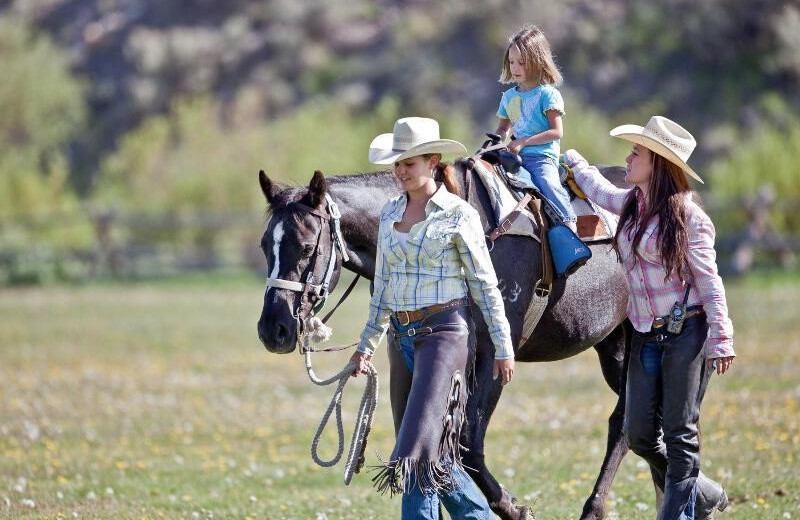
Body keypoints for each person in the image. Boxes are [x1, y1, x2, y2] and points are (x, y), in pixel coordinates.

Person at [562, 115, 734, 520]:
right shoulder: (632, 206)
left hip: (687, 334)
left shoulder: (691, 219)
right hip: (645, 334)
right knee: (639, 434)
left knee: (679, 437)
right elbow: (599, 189)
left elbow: (710, 282)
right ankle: (704, 491)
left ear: (657, 163)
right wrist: (571, 159)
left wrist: (722, 337)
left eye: (636, 152)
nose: (628, 157)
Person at [350, 116, 515, 520]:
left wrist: (503, 346)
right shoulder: (389, 213)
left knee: (414, 454)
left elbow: (484, 285)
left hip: (444, 335)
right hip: (401, 337)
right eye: (397, 163)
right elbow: (384, 287)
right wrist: (364, 346)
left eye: (409, 162)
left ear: (433, 161)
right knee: (430, 451)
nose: (400, 171)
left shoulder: (459, 215)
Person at [494, 25, 578, 234]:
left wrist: (523, 141)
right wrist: (496, 141)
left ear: (538, 61)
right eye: (511, 62)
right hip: (515, 158)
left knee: (548, 183)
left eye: (521, 63)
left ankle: (569, 224)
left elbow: (556, 132)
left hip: (541, 158)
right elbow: (502, 128)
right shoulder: (508, 97)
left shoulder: (548, 95)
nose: (515, 67)